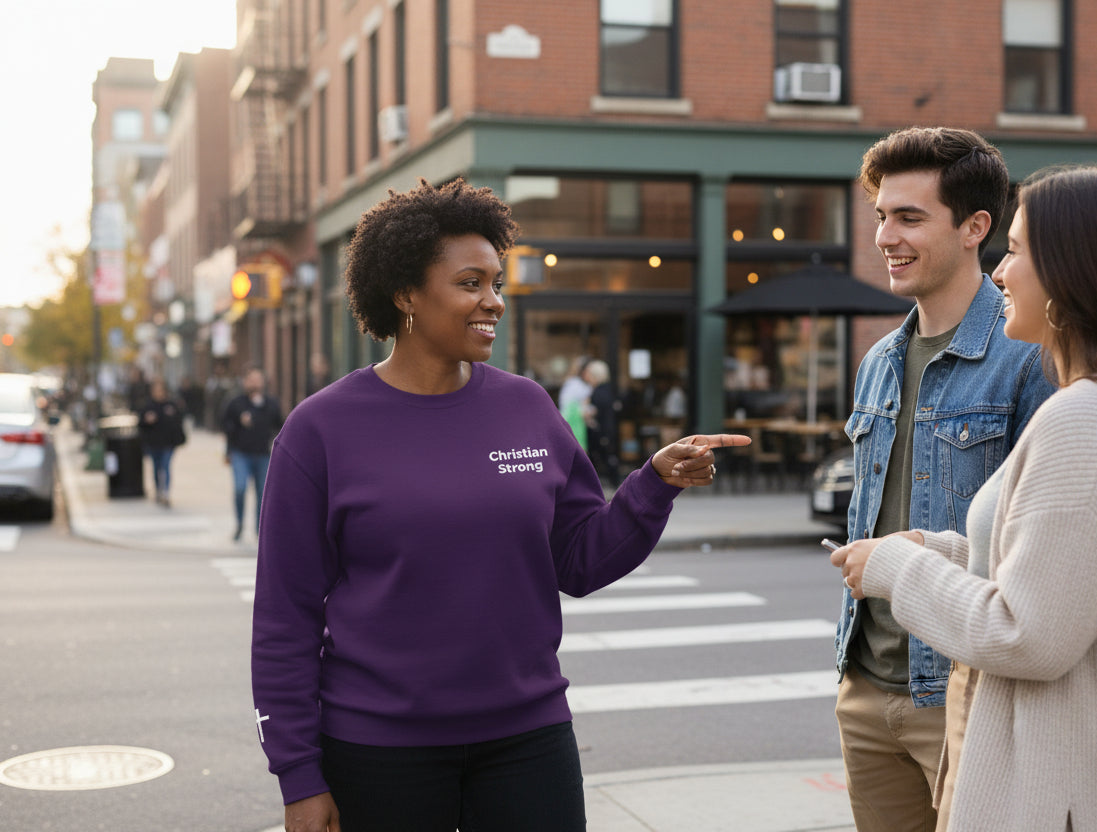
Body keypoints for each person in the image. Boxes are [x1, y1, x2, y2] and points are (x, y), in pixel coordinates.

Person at [250, 178, 750, 832]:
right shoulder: (320, 431)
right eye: (470, 283)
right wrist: (299, 775)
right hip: (379, 751)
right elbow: (284, 621)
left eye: (497, 283)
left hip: (527, 739)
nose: (494, 302)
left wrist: (653, 484)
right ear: (404, 294)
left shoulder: (527, 408)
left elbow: (579, 561)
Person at [830, 164, 1097, 831]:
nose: (1001, 273)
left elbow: (1028, 635)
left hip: (1057, 791)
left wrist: (899, 571)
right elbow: (1068, 576)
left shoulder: (1084, 421)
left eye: (1014, 251)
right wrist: (945, 547)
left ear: (1075, 276)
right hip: (1080, 781)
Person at [832, 126, 1055, 832]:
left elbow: (1032, 552)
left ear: (975, 228)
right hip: (866, 688)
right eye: (880, 216)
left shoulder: (1028, 358)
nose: (885, 236)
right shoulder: (878, 361)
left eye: (909, 217)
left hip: (966, 690)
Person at [220, 366, 284, 541]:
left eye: (258, 379)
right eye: (251, 379)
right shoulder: (235, 403)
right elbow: (225, 425)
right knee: (240, 489)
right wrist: (238, 425)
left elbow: (281, 425)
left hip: (263, 454)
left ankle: (259, 529)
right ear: (245, 382)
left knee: (262, 493)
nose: (255, 383)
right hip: (240, 453)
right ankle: (239, 523)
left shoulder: (271, 403)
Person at [136, 378, 185, 507]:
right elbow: (140, 423)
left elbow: (179, 421)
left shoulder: (171, 405)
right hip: (153, 443)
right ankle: (158, 489)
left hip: (168, 443)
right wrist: (147, 420)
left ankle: (166, 492)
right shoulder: (148, 406)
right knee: (157, 467)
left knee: (166, 466)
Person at [584, 359, 620, 487]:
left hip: (602, 431)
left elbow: (592, 412)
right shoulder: (608, 389)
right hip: (609, 429)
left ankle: (613, 483)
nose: (586, 376)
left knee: (604, 457)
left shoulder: (598, 392)